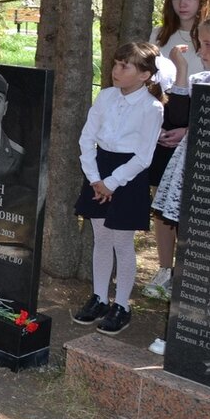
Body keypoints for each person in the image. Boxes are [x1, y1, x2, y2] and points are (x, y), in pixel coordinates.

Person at [71, 42, 166, 335]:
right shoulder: (106, 97)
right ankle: (100, 297)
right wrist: (95, 178)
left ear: (144, 75)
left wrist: (111, 183)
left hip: (127, 177)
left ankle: (122, 304)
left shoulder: (151, 108)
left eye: (125, 66)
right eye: (115, 64)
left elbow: (144, 156)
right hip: (98, 171)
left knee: (122, 243)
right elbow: (87, 138)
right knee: (101, 237)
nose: (116, 70)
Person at [149, 13, 210, 353]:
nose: (201, 49)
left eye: (208, 44)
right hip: (193, 178)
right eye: (200, 42)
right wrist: (181, 69)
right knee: (190, 255)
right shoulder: (204, 79)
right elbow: (179, 115)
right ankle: (183, 329)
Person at [145, 0, 210, 300]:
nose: (182, 3)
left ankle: (193, 274)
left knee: (192, 205)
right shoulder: (160, 34)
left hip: (202, 129)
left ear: (203, 0)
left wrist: (190, 130)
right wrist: (157, 125)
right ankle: (164, 269)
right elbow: (151, 84)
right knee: (162, 201)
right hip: (164, 129)